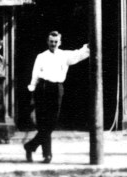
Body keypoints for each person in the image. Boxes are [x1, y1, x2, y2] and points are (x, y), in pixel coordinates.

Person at [24, 31, 89, 164]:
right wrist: (32, 91)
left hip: (57, 89)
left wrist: (89, 46)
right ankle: (47, 155)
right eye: (51, 41)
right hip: (42, 89)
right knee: (43, 123)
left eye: (56, 42)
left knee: (51, 123)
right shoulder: (41, 56)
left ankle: (30, 146)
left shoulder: (64, 55)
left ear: (60, 42)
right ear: (47, 42)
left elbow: (79, 54)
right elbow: (35, 75)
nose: (53, 44)